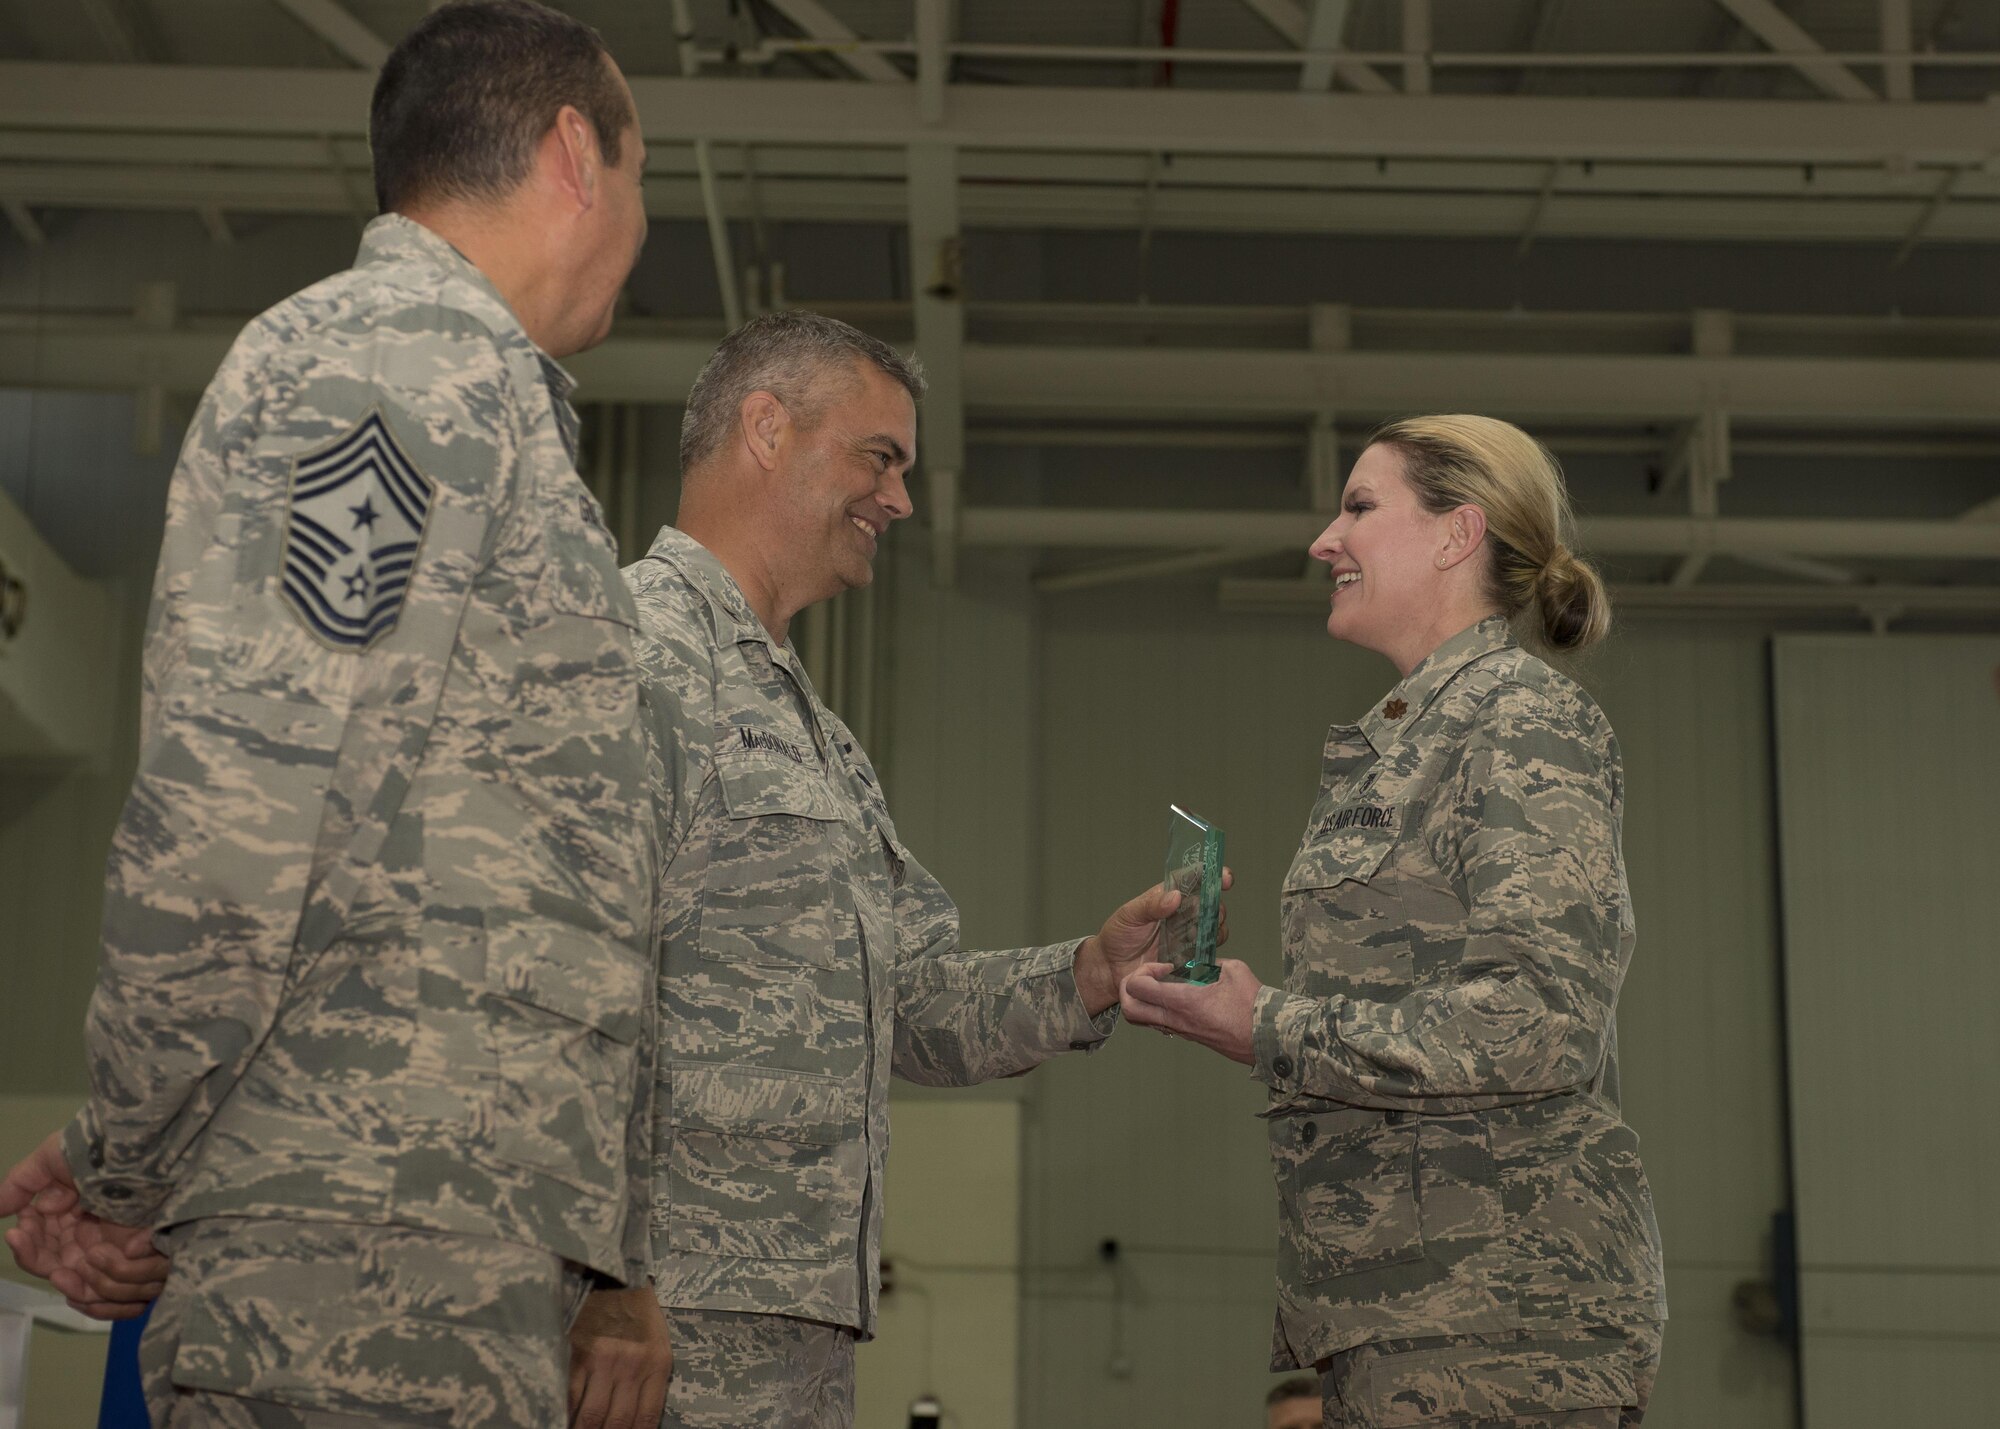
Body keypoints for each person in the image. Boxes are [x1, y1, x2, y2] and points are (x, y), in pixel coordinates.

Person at [0, 3, 675, 1425]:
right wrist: (127, 1161)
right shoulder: (384, 367)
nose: (646, 220)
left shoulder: (482, 401)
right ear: (573, 155)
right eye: (641, 171)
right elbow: (236, 820)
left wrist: (122, 1143)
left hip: (433, 1236)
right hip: (347, 1254)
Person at [625, 310, 1217, 1427]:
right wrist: (606, 1280)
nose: (899, 498)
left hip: (792, 1325)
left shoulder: (818, 737)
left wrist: (1089, 971)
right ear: (765, 428)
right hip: (655, 1316)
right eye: (878, 457)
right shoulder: (630, 656)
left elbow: (912, 1002)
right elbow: (559, 984)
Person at [1122, 415, 1666, 1427]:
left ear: (1456, 534)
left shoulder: (1517, 717)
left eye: (1359, 508)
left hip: (1499, 1321)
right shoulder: (1412, 739)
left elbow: (1539, 1017)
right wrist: (1237, 1013)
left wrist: (1269, 1024)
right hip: (1411, 1315)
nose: (1325, 541)